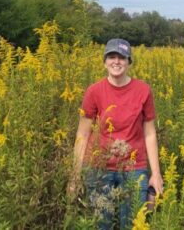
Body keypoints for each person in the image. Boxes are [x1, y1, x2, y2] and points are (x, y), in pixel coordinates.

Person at [69, 38, 163, 229]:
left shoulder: (143, 90)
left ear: (129, 61)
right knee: (101, 224)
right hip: (98, 168)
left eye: (122, 57)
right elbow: (83, 135)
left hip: (134, 167)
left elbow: (150, 134)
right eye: (112, 56)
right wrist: (75, 175)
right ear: (104, 61)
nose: (116, 61)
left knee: (133, 223)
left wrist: (156, 174)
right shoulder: (94, 91)